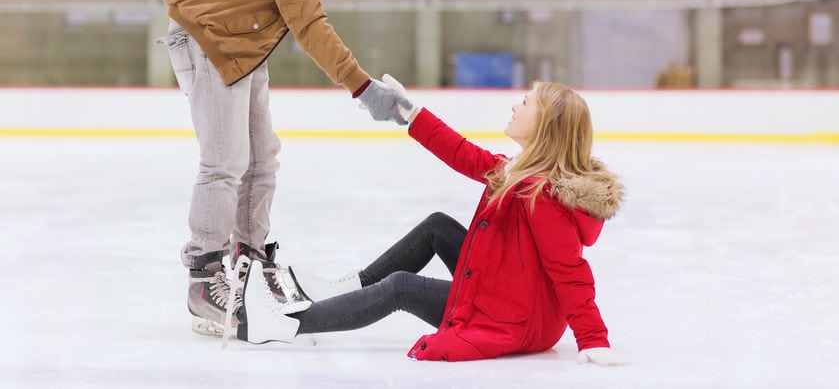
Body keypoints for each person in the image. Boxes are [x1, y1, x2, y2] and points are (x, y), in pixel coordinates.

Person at [157, 0, 409, 337]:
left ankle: (247, 264)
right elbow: (308, 22)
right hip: (207, 32)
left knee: (262, 156)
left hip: (242, 34)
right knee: (225, 159)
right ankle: (205, 280)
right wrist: (364, 90)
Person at [230, 76, 630, 365]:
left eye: (526, 102)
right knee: (439, 226)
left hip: (514, 320)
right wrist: (413, 114)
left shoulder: (542, 196)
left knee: (401, 287)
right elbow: (464, 154)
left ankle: (288, 325)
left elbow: (569, 270)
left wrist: (593, 339)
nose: (515, 104)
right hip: (513, 297)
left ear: (545, 127)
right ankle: (347, 286)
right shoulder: (518, 173)